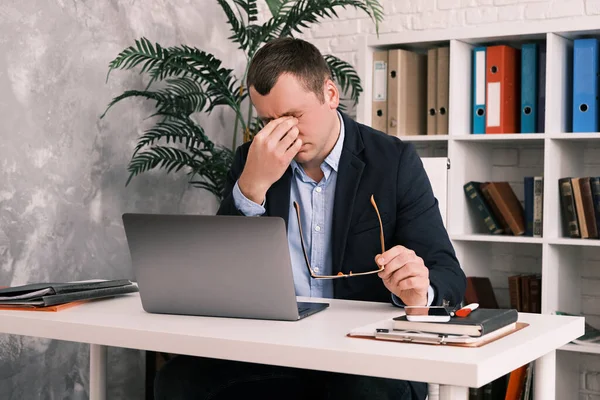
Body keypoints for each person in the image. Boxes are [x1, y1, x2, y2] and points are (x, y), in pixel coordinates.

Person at [154, 37, 466, 400]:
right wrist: (252, 186)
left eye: (294, 116)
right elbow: (220, 274)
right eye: (268, 121)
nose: (282, 132)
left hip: (363, 353)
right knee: (177, 382)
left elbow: (448, 274)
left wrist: (418, 291)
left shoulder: (394, 162)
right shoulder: (253, 160)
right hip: (271, 349)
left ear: (330, 94)